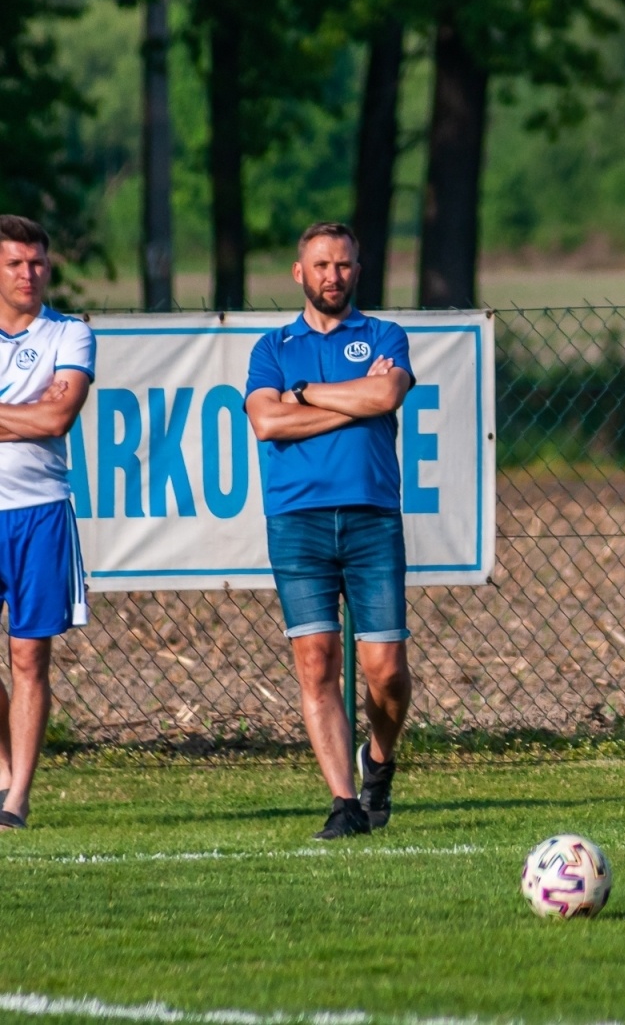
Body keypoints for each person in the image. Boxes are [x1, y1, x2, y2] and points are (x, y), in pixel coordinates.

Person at [244, 222, 415, 839]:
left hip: (371, 517)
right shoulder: (272, 347)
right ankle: (345, 803)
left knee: (386, 670)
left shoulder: (385, 335)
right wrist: (348, 402)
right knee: (316, 665)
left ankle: (380, 759)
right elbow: (266, 423)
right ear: (300, 273)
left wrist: (307, 396)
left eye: (342, 265)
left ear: (356, 271)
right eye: (320, 265)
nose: (332, 276)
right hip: (297, 521)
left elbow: (386, 396)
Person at [0, 215, 94, 831]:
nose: (29, 274)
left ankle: (17, 798)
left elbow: (58, 417)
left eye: (37, 263)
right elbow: (37, 412)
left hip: (39, 511)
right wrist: (23, 412)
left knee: (30, 655)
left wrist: (38, 413)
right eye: (15, 264)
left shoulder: (70, 333)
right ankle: (3, 769)